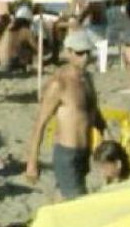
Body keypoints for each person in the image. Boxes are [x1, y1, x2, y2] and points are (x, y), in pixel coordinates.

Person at [25, 29, 107, 200]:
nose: (85, 57)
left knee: (63, 197)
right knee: (77, 200)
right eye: (80, 53)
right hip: (66, 153)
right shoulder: (59, 84)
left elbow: (93, 111)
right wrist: (32, 162)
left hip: (84, 151)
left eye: (88, 52)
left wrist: (106, 136)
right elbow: (40, 123)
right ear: (68, 52)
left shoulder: (87, 79)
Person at [0, 2, 37, 72]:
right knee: (28, 48)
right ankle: (27, 66)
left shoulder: (8, 29)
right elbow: (36, 48)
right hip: (12, 64)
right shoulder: (25, 31)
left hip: (1, 63)